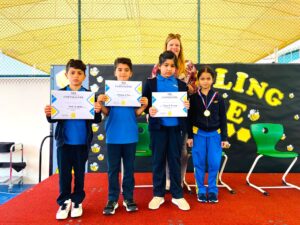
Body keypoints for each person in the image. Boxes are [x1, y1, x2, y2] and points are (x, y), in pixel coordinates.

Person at [44, 59, 102, 220]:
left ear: (84, 76)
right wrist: (49, 113)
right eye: (72, 72)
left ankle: (77, 201)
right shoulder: (60, 95)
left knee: (79, 174)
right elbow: (53, 120)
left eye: (79, 73)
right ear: (67, 74)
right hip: (64, 143)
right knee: (64, 174)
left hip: (82, 142)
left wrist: (97, 110)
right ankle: (64, 202)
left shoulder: (89, 95)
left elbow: (96, 120)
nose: (76, 76)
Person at [98, 57, 148, 215]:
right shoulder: (109, 92)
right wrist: (101, 104)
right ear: (115, 72)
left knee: (129, 170)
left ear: (131, 72)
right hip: (113, 134)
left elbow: (135, 113)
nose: (123, 72)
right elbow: (107, 113)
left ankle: (128, 198)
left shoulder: (134, 92)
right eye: (120, 69)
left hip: (130, 135)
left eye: (126, 70)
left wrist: (144, 106)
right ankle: (112, 199)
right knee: (112, 170)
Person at [143, 51, 190, 211]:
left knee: (175, 161)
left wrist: (186, 107)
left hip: (176, 129)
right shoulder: (150, 83)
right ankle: (158, 194)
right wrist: (149, 110)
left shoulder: (182, 85)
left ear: (176, 68)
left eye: (172, 66)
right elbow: (144, 105)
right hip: (158, 129)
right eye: (166, 65)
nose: (169, 69)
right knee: (158, 161)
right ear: (159, 66)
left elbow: (185, 107)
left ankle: (177, 195)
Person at [150, 33, 197, 190]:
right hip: (162, 116)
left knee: (181, 152)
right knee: (163, 151)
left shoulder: (189, 65)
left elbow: (195, 87)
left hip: (181, 113)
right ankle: (167, 181)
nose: (174, 47)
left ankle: (179, 178)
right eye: (171, 45)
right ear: (166, 47)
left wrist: (186, 89)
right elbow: (153, 91)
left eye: (177, 45)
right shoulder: (157, 67)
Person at [187, 65, 229, 203]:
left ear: (213, 80)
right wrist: (190, 137)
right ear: (198, 80)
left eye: (208, 78)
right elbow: (189, 119)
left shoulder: (218, 98)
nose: (205, 81)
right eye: (202, 79)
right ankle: (200, 189)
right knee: (199, 163)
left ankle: (212, 190)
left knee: (214, 163)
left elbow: (223, 119)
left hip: (215, 136)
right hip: (198, 135)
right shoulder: (193, 98)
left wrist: (224, 138)